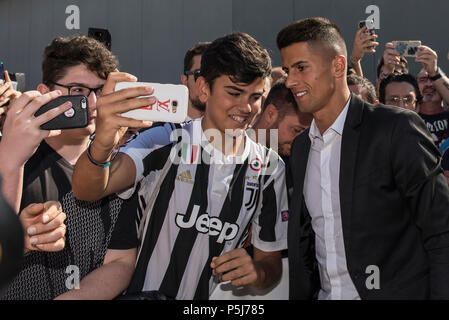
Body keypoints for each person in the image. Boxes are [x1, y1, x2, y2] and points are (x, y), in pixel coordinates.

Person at [72, 32, 288, 300]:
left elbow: (272, 264)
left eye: (256, 96)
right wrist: (103, 138)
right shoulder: (166, 138)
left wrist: (258, 273)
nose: (246, 107)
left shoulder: (269, 167)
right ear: (204, 88)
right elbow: (88, 190)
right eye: (234, 92)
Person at [277, 17, 449, 299]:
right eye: (287, 70)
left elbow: (440, 231)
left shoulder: (395, 128)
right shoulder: (300, 148)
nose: (291, 81)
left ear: (338, 66)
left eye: (301, 68)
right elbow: (307, 243)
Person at [0, 35, 137, 300]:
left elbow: (121, 262)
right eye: (78, 91)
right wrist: (19, 240)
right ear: (44, 93)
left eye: (100, 91)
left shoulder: (122, 165)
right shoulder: (14, 157)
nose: (93, 103)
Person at [250, 78, 312, 158]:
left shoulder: (297, 163)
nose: (301, 140)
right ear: (270, 114)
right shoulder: (232, 152)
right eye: (297, 130)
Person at [416, 45, 449, 149]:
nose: (429, 84)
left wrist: (435, 72)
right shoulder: (408, 118)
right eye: (423, 80)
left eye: (433, 79)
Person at [181, 42, 211, 121]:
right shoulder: (163, 131)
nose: (205, 84)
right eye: (199, 74)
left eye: (214, 76)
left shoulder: (233, 131)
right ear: (185, 80)